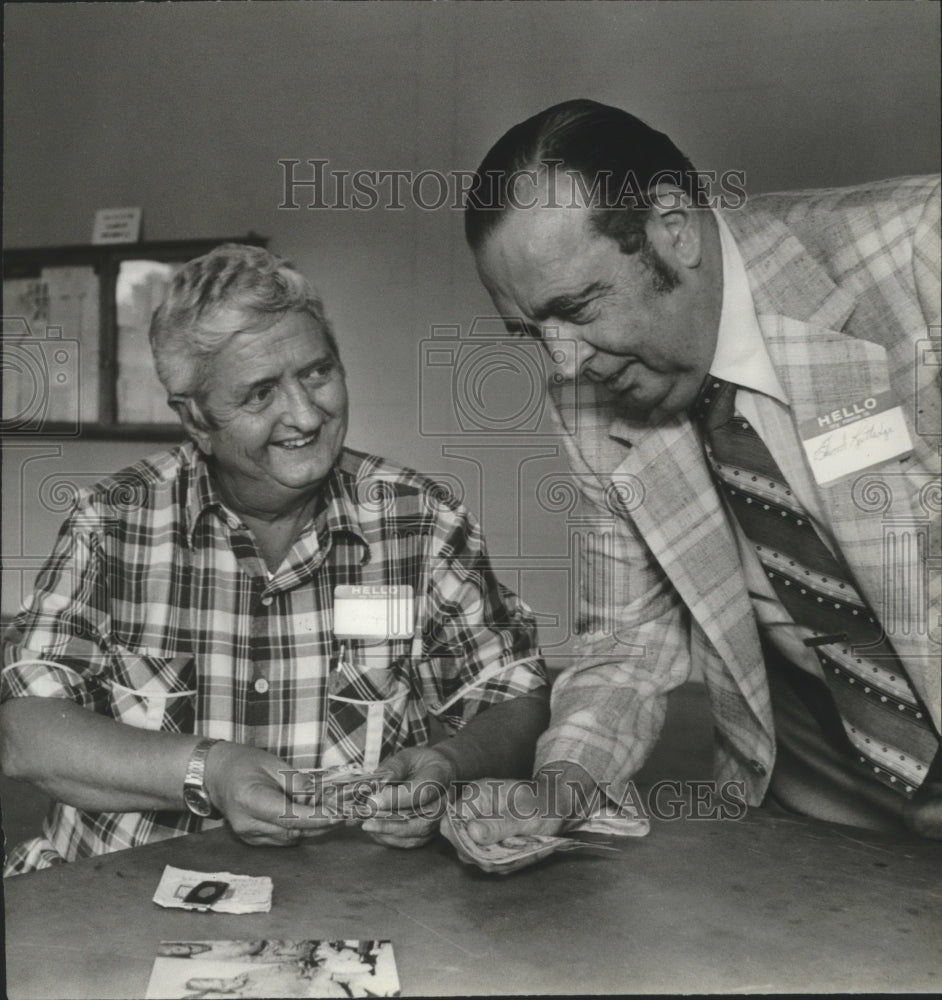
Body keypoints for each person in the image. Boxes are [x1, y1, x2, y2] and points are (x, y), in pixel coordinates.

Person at [458, 98, 940, 848]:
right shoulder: (587, 397)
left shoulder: (922, 253)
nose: (565, 361)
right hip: (821, 813)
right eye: (532, 333)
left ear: (673, 229)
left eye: (579, 306)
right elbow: (628, 642)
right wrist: (560, 785)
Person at [0, 244, 549, 875]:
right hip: (115, 905)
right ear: (197, 420)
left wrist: (450, 766)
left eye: (317, 372)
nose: (306, 414)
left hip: (355, 904)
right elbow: (26, 732)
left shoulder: (421, 524)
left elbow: (515, 695)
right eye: (261, 393)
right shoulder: (111, 524)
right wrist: (212, 771)